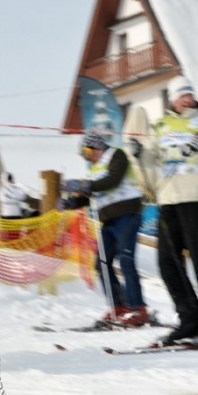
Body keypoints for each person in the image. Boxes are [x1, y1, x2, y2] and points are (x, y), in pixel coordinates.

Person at [133, 75, 198, 345]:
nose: (187, 98)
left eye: (190, 94)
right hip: (168, 200)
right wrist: (137, 151)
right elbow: (150, 157)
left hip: (196, 198)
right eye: (182, 95)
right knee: (167, 262)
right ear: (173, 98)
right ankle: (190, 319)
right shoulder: (161, 124)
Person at [61, 131, 148, 326]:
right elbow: (90, 192)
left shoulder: (117, 155)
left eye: (86, 151)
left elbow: (112, 181)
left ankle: (138, 309)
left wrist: (84, 184)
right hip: (108, 219)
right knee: (101, 263)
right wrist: (71, 202)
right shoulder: (93, 169)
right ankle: (118, 307)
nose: (86, 157)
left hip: (127, 213)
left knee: (126, 260)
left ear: (96, 146)